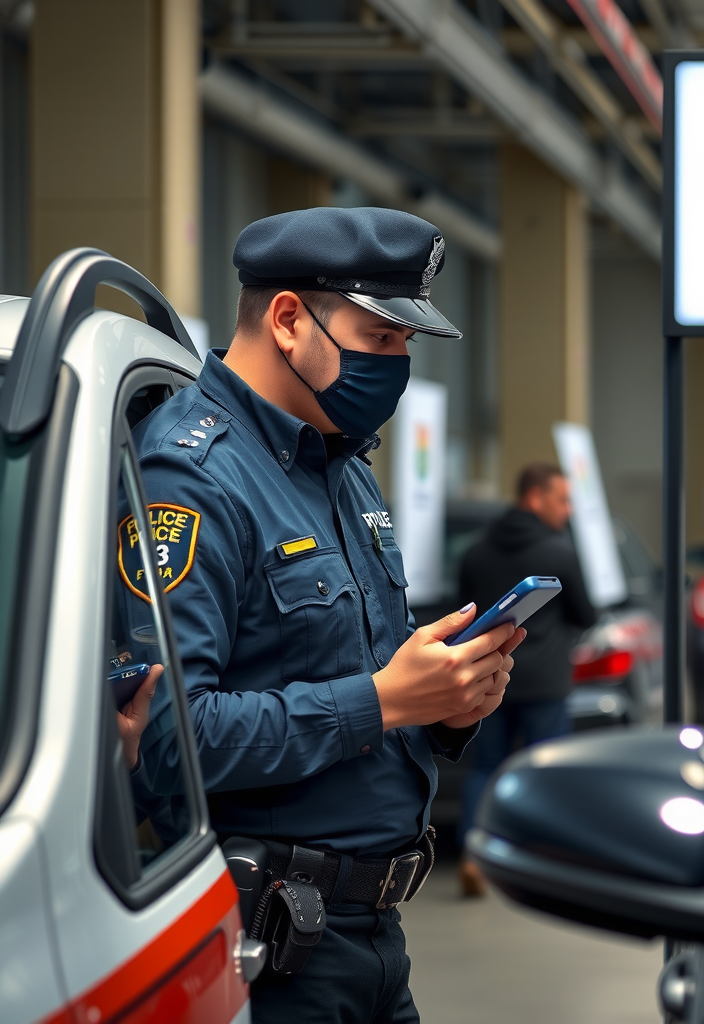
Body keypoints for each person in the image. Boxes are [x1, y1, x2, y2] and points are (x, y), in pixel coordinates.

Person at [124, 207, 525, 1024]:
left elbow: (360, 674)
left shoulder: (342, 465)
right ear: (287, 320)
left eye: (405, 342)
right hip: (268, 950)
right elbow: (170, 741)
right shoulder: (191, 477)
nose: (397, 363)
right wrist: (384, 701)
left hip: (372, 937)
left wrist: (444, 703)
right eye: (380, 337)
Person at [456, 463, 596, 896]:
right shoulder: (559, 552)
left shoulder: (476, 550)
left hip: (490, 675)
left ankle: (473, 856)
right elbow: (586, 616)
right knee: (548, 770)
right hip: (546, 683)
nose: (568, 510)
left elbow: (464, 613)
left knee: (486, 767)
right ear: (536, 497)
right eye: (562, 500)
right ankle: (547, 860)